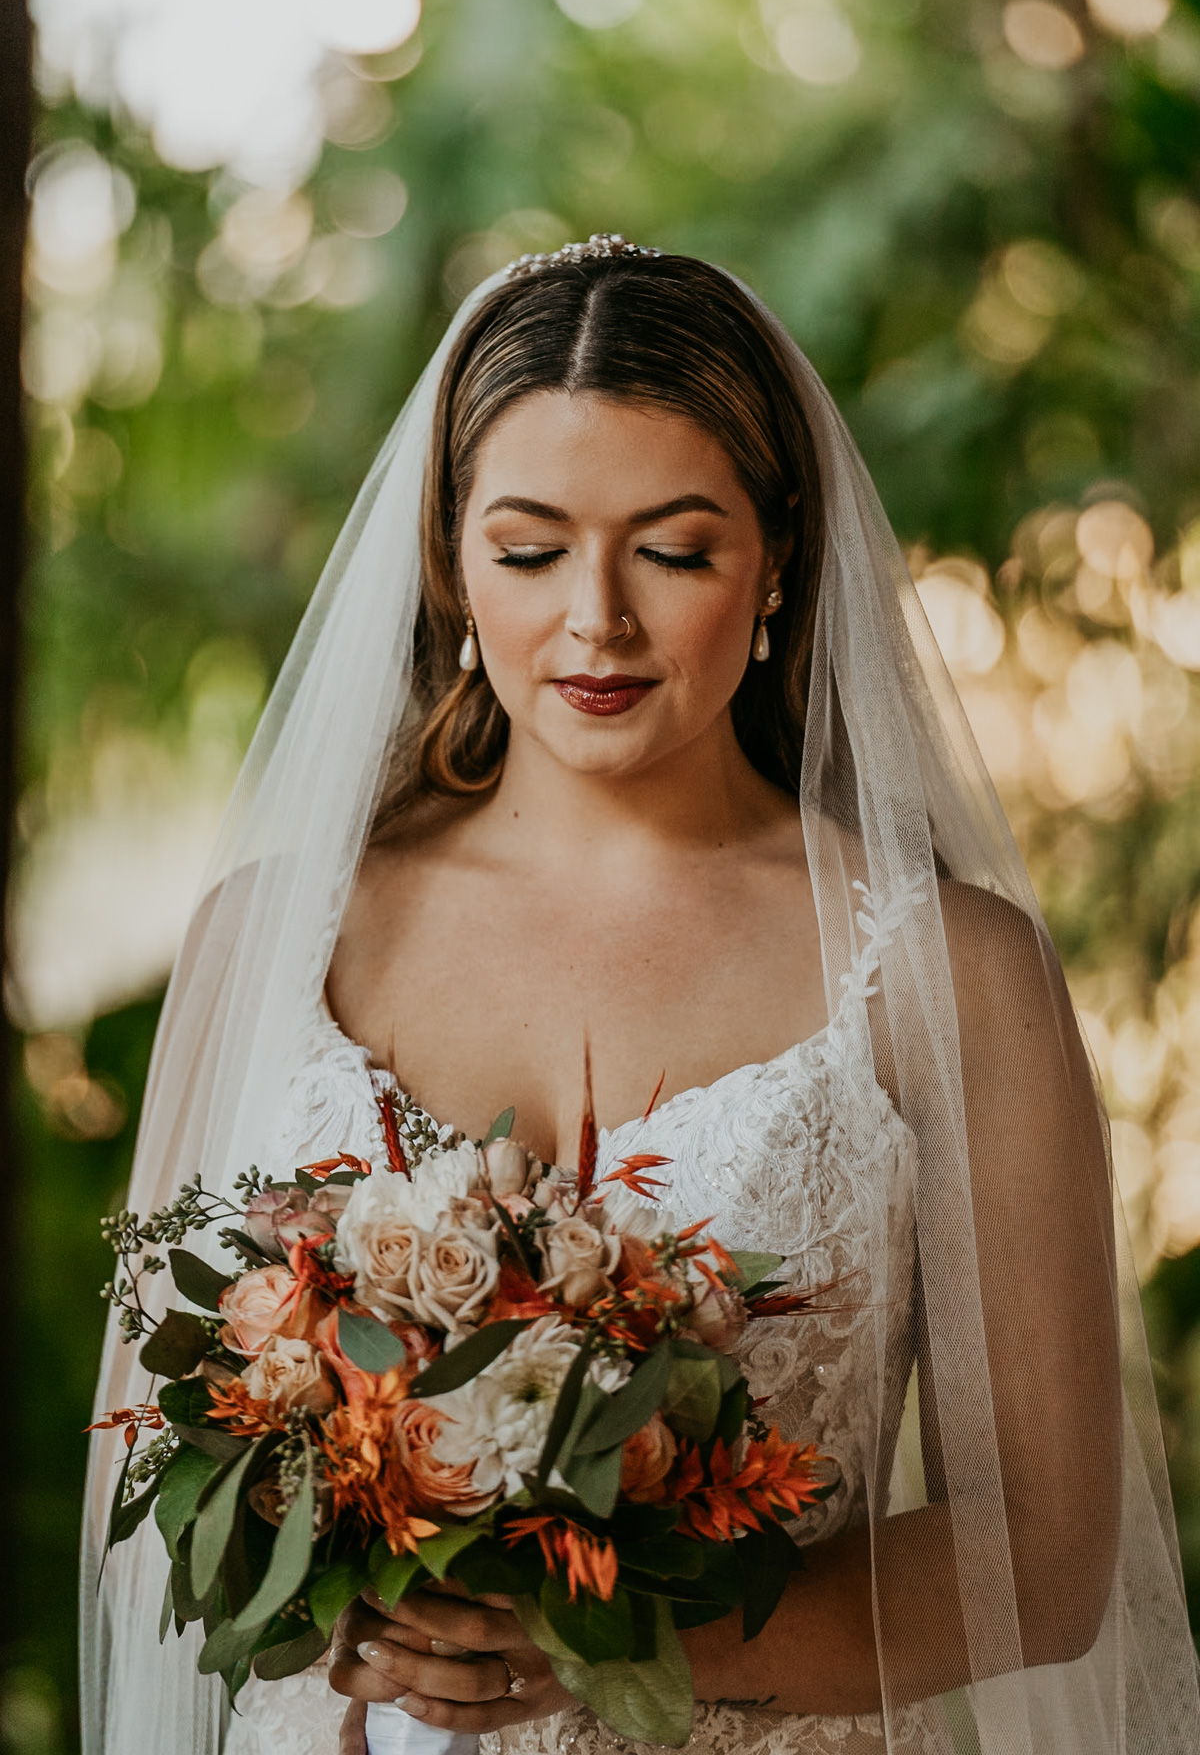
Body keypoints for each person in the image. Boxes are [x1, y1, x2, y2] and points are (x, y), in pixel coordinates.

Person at [81, 237, 1200, 1755]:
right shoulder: (267, 942)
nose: (595, 619)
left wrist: (617, 1647)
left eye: (673, 550)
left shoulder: (952, 971)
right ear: (448, 560)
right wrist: (335, 1601)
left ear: (780, 556)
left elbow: (1045, 1560)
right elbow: (156, 1476)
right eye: (530, 551)